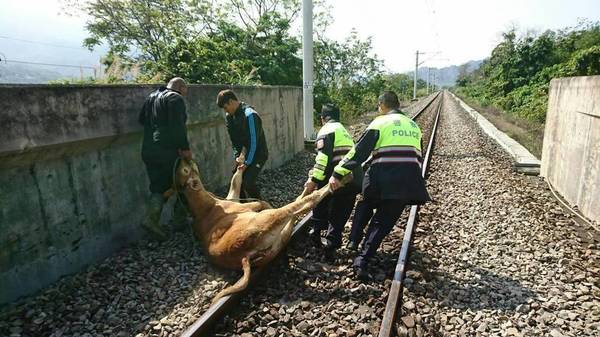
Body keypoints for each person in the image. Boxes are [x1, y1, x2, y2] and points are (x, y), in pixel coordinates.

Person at [329, 91, 431, 280]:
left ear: (382, 105)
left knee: (366, 202)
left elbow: (359, 152)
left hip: (381, 177)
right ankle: (362, 260)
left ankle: (353, 239)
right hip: (407, 182)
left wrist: (338, 173)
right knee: (382, 223)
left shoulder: (380, 122)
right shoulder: (414, 126)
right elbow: (419, 157)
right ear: (398, 105)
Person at [304, 104, 361, 259]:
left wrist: (314, 180)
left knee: (320, 199)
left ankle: (316, 233)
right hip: (353, 179)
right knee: (340, 211)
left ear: (323, 118)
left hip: (336, 178)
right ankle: (332, 243)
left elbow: (322, 159)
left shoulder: (326, 130)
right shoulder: (344, 131)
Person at [139, 77, 192, 240]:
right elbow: (178, 126)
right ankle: (178, 221)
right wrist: (185, 148)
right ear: (181, 88)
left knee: (158, 186)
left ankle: (153, 219)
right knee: (183, 182)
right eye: (186, 91)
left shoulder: (151, 97)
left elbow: (141, 120)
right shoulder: (176, 99)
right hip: (166, 151)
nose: (186, 95)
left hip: (148, 149)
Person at [217, 89, 269, 200]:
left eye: (226, 107)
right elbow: (234, 141)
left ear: (231, 101)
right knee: (236, 180)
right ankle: (245, 207)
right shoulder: (230, 117)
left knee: (247, 182)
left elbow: (253, 142)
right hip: (245, 153)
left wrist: (246, 163)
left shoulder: (250, 115)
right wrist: (237, 157)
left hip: (259, 154)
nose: (225, 111)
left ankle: (262, 207)